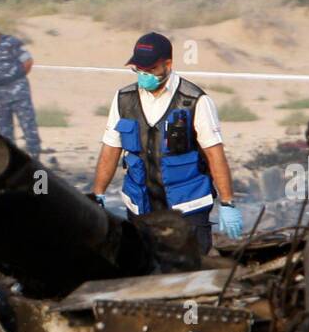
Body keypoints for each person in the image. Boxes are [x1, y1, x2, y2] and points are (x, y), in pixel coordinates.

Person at [91, 31, 242, 253]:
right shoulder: (124, 99)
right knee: (146, 269)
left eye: (150, 69)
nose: (144, 75)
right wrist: (98, 194)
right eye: (139, 70)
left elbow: (215, 154)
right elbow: (111, 148)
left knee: (189, 270)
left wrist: (227, 203)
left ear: (168, 64)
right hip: (141, 206)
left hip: (187, 207)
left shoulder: (194, 101)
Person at [0, 16, 41, 157]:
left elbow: (28, 61)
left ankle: (36, 159)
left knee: (27, 125)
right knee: (3, 130)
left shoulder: (11, 42)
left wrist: (16, 79)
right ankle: (11, 160)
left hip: (17, 92)